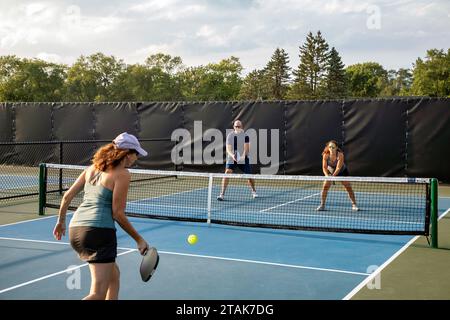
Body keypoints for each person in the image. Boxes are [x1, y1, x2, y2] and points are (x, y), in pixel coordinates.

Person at [53, 132, 150, 300]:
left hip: (75, 229)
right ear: (126, 154)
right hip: (98, 233)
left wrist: (61, 222)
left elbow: (67, 196)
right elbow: (118, 214)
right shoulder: (123, 174)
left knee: (114, 277)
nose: (136, 158)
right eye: (136, 154)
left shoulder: (91, 169)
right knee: (97, 294)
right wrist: (139, 239)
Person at [217, 120, 257, 201]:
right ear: (233, 127)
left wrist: (241, 157)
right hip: (232, 157)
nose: (237, 128)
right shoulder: (230, 136)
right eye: (236, 126)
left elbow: (246, 150)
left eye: (239, 126)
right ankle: (222, 194)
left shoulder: (245, 136)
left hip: (243, 158)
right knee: (227, 172)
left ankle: (254, 191)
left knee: (249, 176)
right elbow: (228, 149)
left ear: (241, 127)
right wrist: (233, 156)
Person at [316, 140, 359, 211]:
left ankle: (354, 204)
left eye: (333, 147)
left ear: (336, 148)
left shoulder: (340, 155)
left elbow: (338, 168)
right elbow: (324, 167)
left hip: (342, 171)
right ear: (328, 148)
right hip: (330, 171)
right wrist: (327, 176)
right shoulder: (325, 155)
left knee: (348, 187)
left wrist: (333, 177)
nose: (331, 149)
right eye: (330, 147)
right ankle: (322, 205)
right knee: (325, 187)